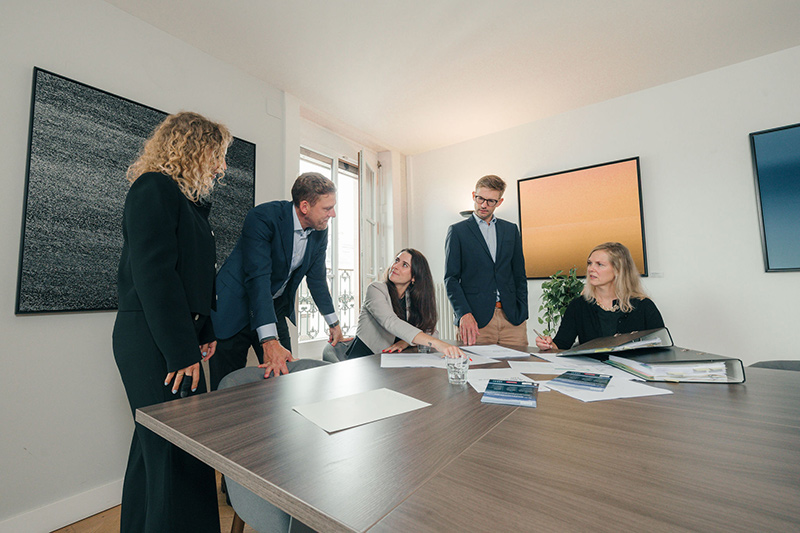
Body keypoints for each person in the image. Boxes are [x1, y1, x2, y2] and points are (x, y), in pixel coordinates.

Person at [112, 111, 232, 532]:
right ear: (194, 149)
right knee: (171, 449)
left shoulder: (190, 202)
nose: (221, 166)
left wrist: (205, 331)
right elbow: (155, 277)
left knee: (154, 449)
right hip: (149, 337)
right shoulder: (153, 188)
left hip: (174, 334)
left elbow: (194, 278)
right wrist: (181, 349)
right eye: (217, 155)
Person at [209, 172, 345, 389]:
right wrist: (269, 340)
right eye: (327, 208)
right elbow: (258, 278)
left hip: (272, 307)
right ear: (304, 207)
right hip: (234, 305)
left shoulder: (320, 230)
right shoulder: (263, 217)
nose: (333, 214)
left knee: (284, 379)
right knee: (228, 390)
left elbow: (317, 278)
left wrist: (334, 323)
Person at [324, 249, 464, 360]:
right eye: (396, 261)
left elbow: (430, 330)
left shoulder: (410, 298)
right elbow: (390, 322)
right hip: (364, 361)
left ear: (414, 277)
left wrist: (406, 342)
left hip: (389, 363)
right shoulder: (376, 289)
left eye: (404, 265)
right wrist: (439, 345)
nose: (395, 266)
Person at [444, 174, 529, 346]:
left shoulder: (511, 230)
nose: (483, 205)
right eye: (480, 198)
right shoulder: (458, 231)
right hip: (475, 321)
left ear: (500, 201)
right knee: (478, 372)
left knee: (521, 368)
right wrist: (463, 314)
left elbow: (519, 274)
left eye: (490, 201)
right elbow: (451, 279)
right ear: (473, 195)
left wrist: (522, 312)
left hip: (512, 319)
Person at [536, 242, 664, 351]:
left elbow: (662, 346)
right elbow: (561, 344)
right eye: (589, 263)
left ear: (618, 270)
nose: (591, 269)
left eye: (599, 264)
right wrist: (548, 344)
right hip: (593, 375)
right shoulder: (578, 306)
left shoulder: (644, 306)